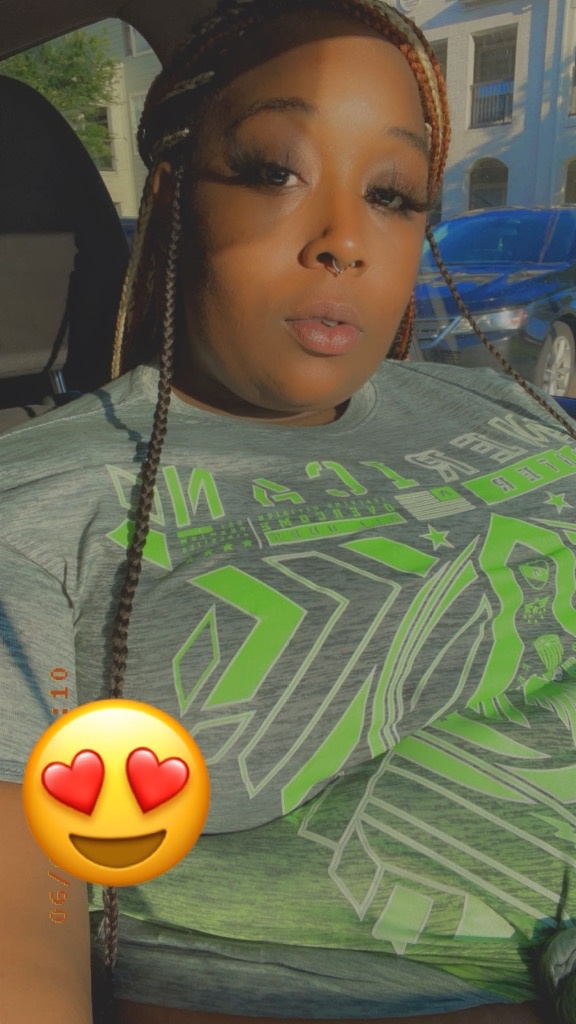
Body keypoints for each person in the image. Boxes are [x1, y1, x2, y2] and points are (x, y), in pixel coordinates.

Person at [0, 1, 575, 1022]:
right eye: (275, 171)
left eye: (393, 193)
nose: (346, 240)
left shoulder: (502, 402)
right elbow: (23, 942)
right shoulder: (42, 504)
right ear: (173, 197)